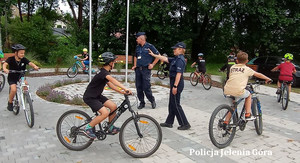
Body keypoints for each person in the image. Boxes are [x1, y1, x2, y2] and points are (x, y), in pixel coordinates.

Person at [82, 52, 132, 139]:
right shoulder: (104, 73)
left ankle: (111, 128)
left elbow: (111, 85)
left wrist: (122, 92)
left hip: (97, 96)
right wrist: (125, 88)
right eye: (113, 62)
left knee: (113, 106)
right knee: (105, 113)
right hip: (90, 97)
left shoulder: (104, 73)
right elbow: (113, 80)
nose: (114, 64)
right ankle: (87, 128)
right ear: (110, 63)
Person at [148, 42, 191, 130]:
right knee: (172, 103)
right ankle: (169, 122)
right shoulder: (176, 58)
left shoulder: (180, 60)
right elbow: (165, 58)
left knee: (175, 104)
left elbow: (179, 74)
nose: (173, 50)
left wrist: (175, 86)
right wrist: (154, 55)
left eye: (175, 49)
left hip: (177, 83)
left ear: (180, 49)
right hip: (174, 82)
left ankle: (185, 124)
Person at [224, 51, 271, 122]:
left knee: (233, 107)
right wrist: (267, 79)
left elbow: (235, 78)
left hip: (227, 89)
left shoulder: (232, 67)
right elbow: (258, 74)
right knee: (248, 95)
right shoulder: (247, 69)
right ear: (247, 61)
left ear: (236, 60)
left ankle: (226, 122)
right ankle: (248, 114)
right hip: (238, 90)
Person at [2, 44, 39, 111]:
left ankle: (27, 97)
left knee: (25, 84)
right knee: (13, 90)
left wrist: (35, 66)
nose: (23, 54)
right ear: (16, 53)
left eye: (23, 53)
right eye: (21, 53)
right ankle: (10, 102)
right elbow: (5, 64)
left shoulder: (24, 59)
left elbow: (30, 63)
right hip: (12, 77)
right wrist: (5, 69)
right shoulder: (11, 59)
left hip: (20, 76)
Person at [131, 32, 159, 109]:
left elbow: (158, 56)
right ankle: (142, 102)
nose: (136, 40)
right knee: (139, 87)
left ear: (141, 38)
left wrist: (152, 64)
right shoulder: (138, 47)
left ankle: (152, 100)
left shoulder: (150, 46)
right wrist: (135, 65)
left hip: (146, 70)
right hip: (138, 70)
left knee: (146, 87)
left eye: (137, 38)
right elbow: (135, 56)